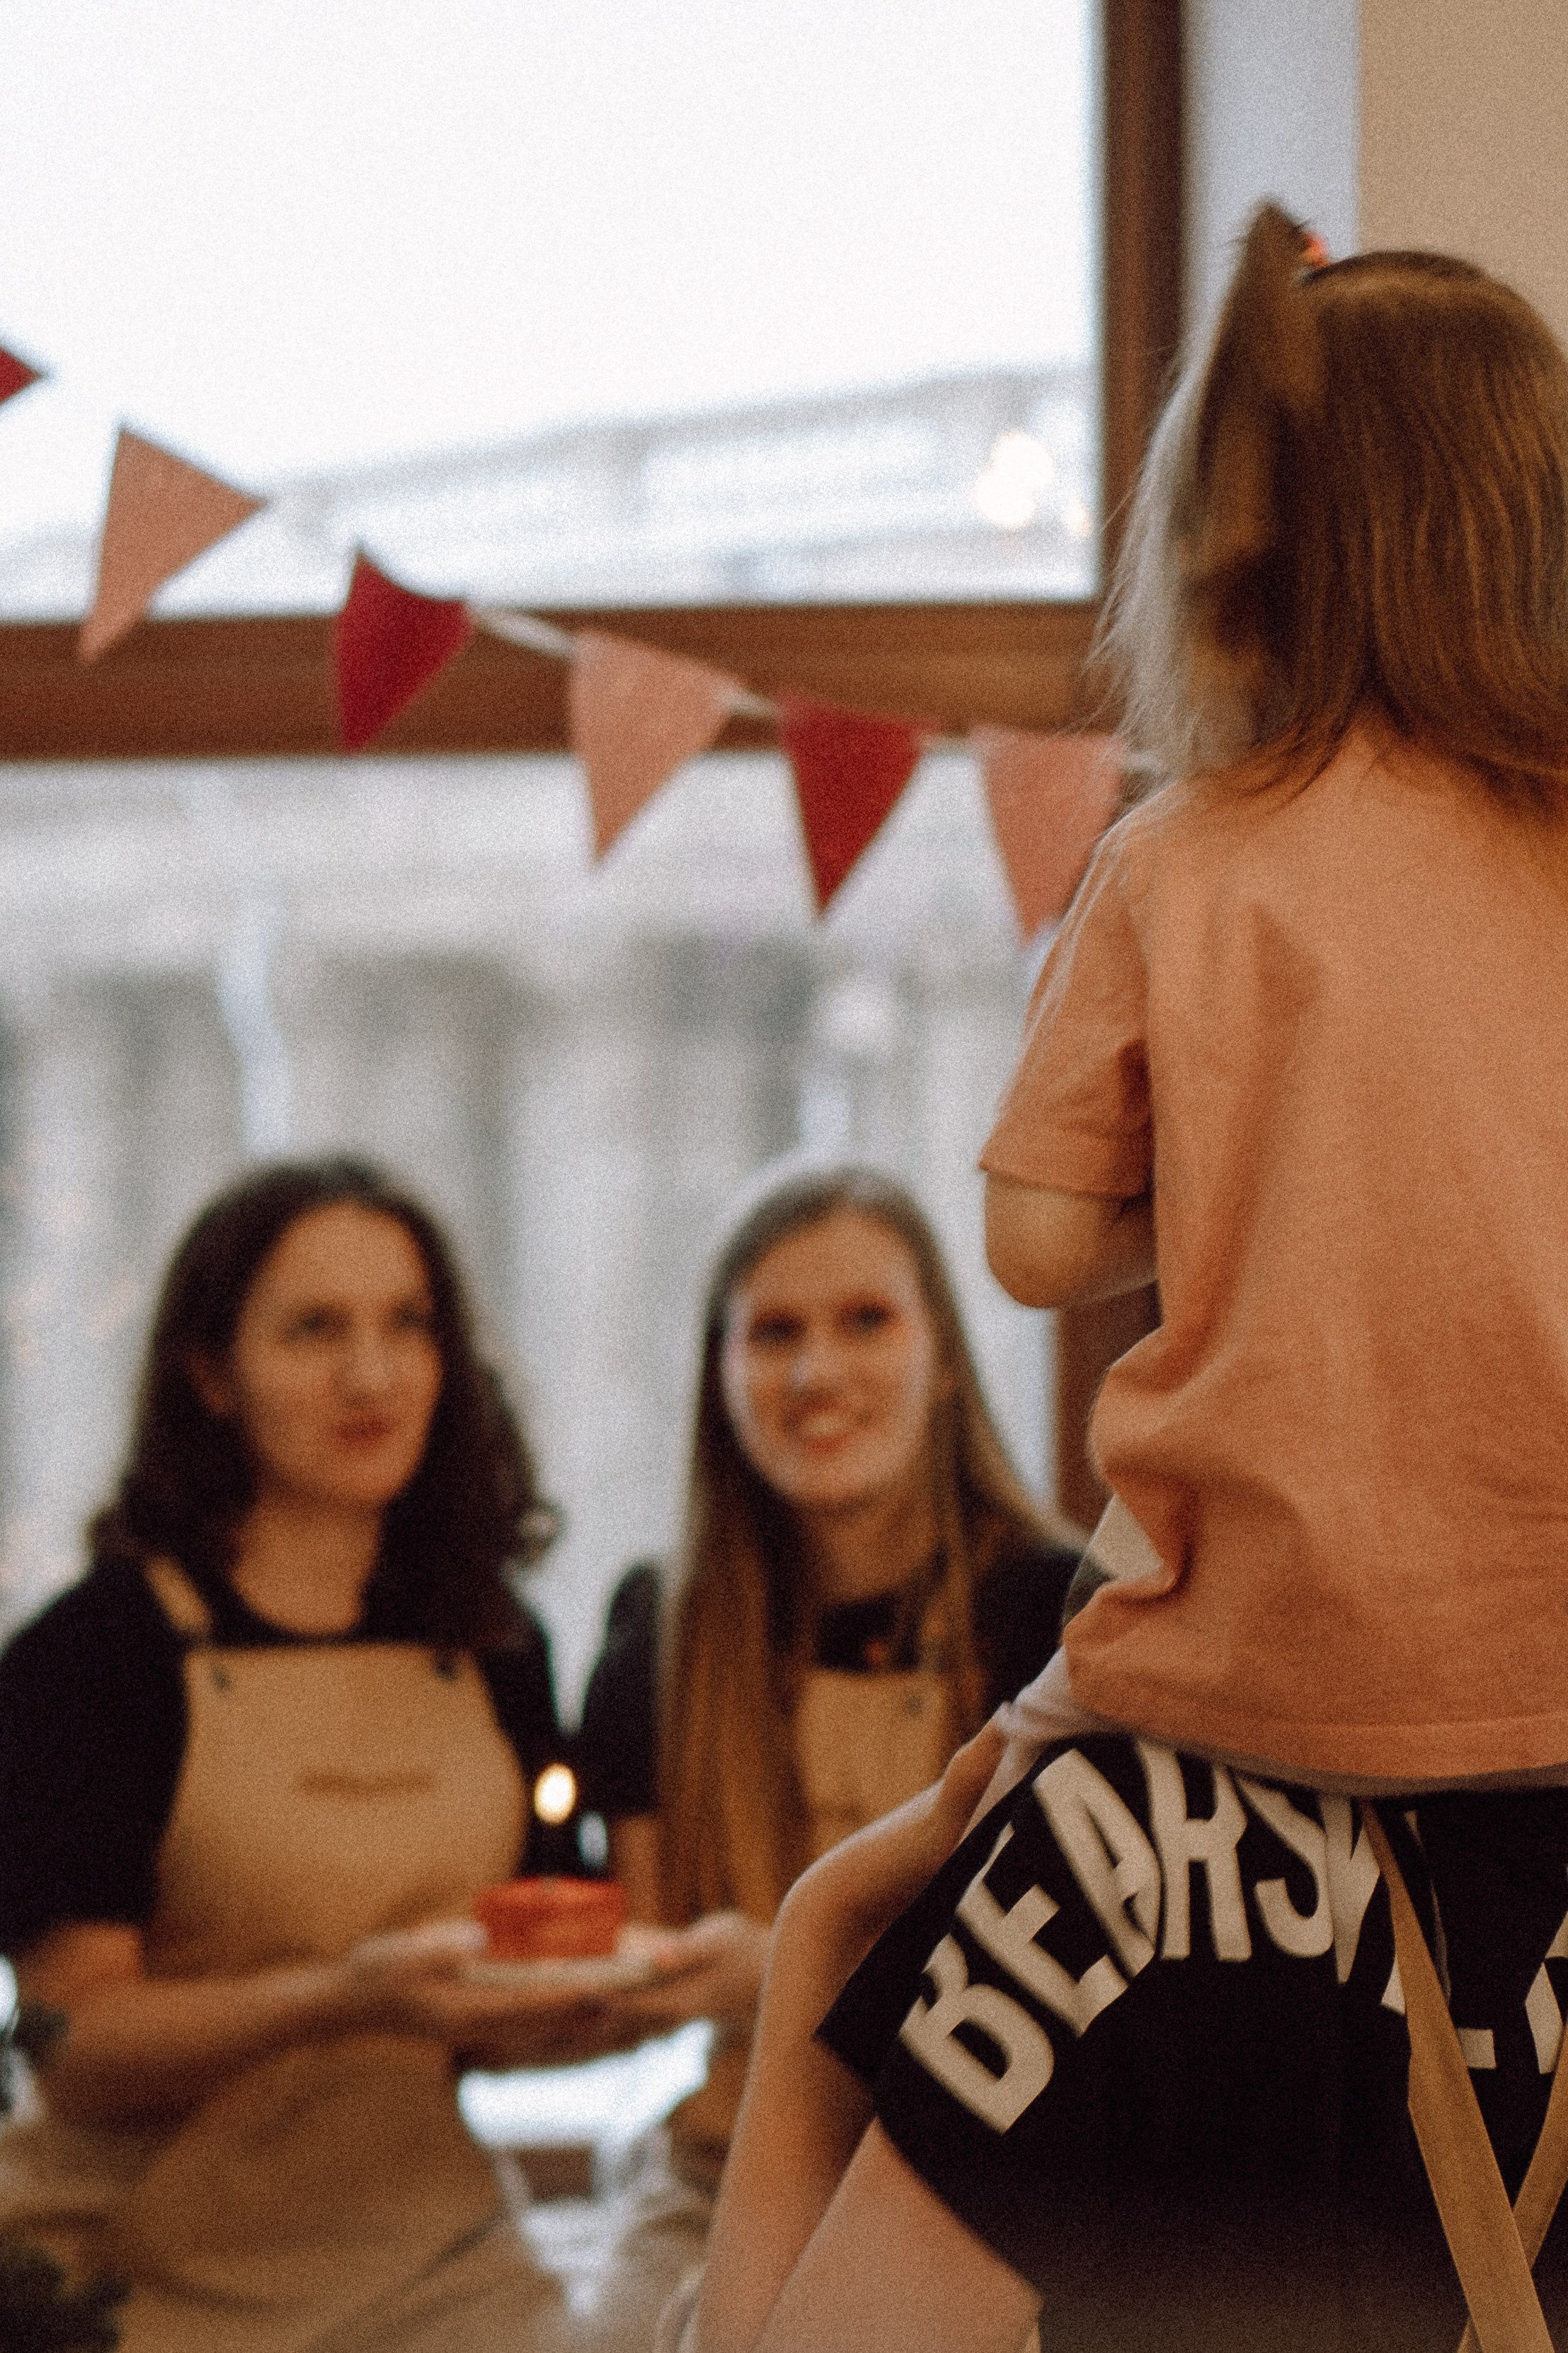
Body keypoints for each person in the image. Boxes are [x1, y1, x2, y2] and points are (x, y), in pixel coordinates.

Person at [669, 210, 1568, 2352]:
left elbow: (1036, 1241)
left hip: (1219, 1738)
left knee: (846, 1942)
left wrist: (1262, 1171)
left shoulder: (1186, 856)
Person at [0, 1156, 610, 2353]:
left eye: (407, 1324)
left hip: (438, 2264)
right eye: (314, 1329)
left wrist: (611, 2000)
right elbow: (75, 2052)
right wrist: (348, 1996)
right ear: (209, 1374)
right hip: (127, 2275)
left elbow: (496, 2013)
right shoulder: (97, 1655)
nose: (371, 1375)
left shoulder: (494, 1642)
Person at [573, 1159, 1081, 2349]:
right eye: (773, 1333)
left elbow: (1084, 1996)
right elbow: (642, 1964)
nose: (816, 1374)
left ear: (944, 1357)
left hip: (984, 2196)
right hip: (718, 2178)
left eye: (866, 1321)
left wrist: (778, 1974)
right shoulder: (657, 1638)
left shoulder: (1060, 1618)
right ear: (719, 1374)